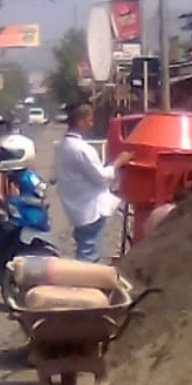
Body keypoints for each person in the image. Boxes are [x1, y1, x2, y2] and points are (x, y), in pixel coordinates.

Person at [56, 103, 131, 264]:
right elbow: (101, 177)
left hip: (77, 208)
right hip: (90, 210)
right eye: (90, 121)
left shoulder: (63, 146)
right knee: (88, 255)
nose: (92, 124)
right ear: (81, 122)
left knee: (86, 250)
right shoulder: (81, 149)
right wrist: (118, 162)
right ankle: (83, 285)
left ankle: (81, 283)